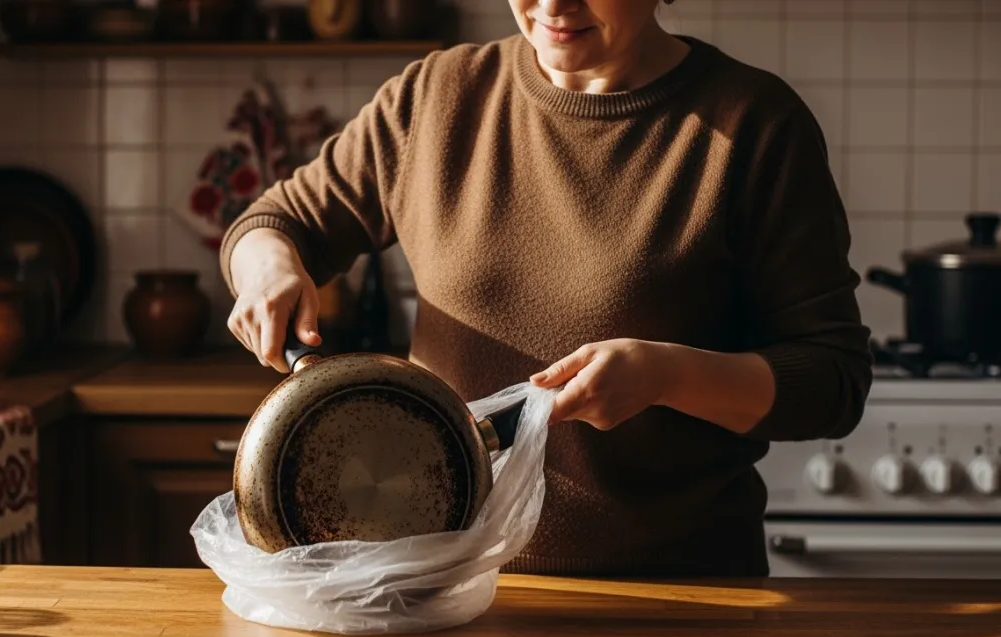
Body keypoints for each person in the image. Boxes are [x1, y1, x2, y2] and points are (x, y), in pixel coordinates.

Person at [220, 0, 872, 577]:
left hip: (676, 598)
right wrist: (269, 266)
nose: (554, 5)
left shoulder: (754, 124)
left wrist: (667, 374)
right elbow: (274, 223)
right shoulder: (440, 96)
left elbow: (831, 380)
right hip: (441, 590)